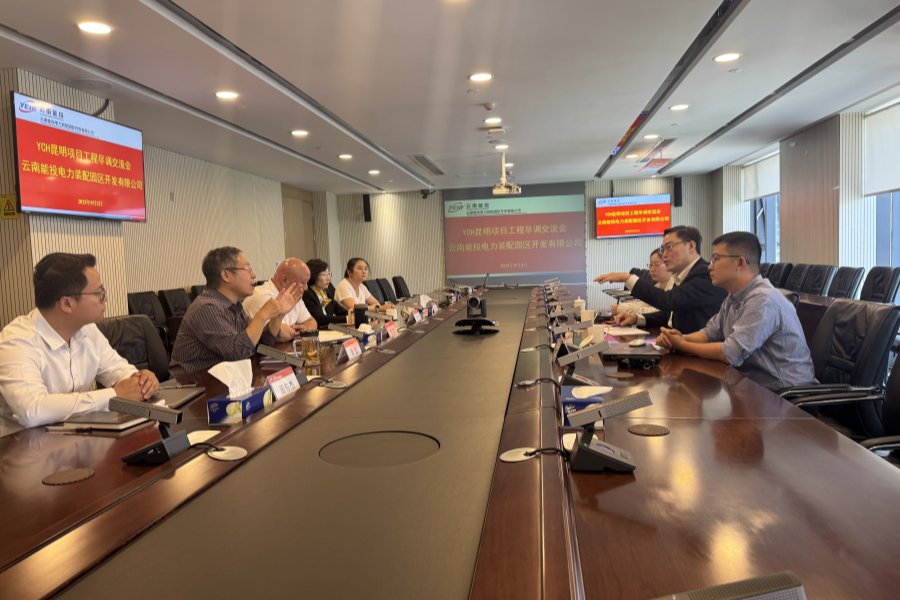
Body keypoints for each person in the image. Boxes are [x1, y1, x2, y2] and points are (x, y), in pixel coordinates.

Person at [0, 253, 159, 434]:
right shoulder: (17, 342)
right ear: (67, 304)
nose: (105, 298)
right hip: (23, 445)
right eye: (99, 293)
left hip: (76, 437)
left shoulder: (88, 330)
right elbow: (33, 411)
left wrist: (141, 381)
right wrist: (113, 395)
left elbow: (119, 371)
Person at [657, 232, 816, 392]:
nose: (710, 266)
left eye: (716, 259)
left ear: (740, 263)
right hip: (754, 389)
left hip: (785, 396)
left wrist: (682, 345)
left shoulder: (763, 299)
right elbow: (710, 333)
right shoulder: (733, 298)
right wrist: (677, 339)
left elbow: (729, 353)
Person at [169, 247, 301, 377]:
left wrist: (278, 315)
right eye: (247, 269)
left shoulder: (235, 306)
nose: (253, 275)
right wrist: (263, 314)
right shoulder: (206, 308)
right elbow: (237, 353)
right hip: (191, 384)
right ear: (226, 275)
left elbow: (259, 345)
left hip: (224, 380)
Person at [594, 226, 727, 334]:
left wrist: (627, 278)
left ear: (691, 246)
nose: (664, 255)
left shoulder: (705, 274)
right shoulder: (682, 276)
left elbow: (667, 301)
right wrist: (637, 318)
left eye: (669, 247)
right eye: (663, 250)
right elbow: (669, 316)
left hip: (699, 352)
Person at [243, 258, 316, 340]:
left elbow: (311, 321)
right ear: (284, 280)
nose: (306, 288)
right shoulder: (262, 296)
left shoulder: (294, 294)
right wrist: (302, 333)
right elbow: (279, 334)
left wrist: (305, 330)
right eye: (304, 283)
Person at [611, 249, 674, 316]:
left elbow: (655, 311)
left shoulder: (674, 290)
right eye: (651, 265)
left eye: (656, 265)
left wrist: (621, 308)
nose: (652, 269)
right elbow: (643, 304)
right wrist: (621, 306)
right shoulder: (658, 286)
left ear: (669, 265)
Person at [302, 259, 350, 329]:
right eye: (324, 275)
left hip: (329, 329)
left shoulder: (327, 291)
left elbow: (340, 310)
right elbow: (319, 319)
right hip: (318, 331)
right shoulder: (306, 293)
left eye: (328, 274)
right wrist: (347, 319)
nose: (328, 278)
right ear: (313, 275)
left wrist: (354, 315)